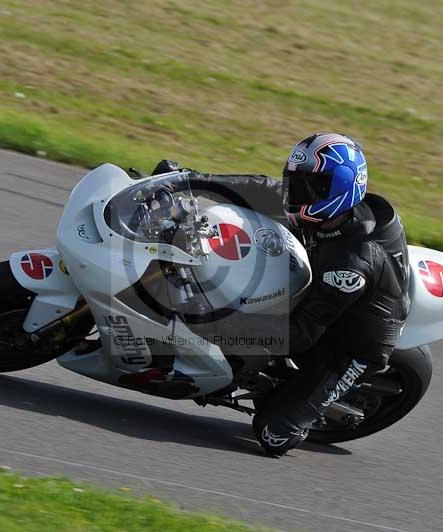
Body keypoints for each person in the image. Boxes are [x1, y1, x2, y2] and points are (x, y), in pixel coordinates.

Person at [152, 132, 410, 456]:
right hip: (323, 284)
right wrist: (186, 179)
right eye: (295, 181)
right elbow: (262, 188)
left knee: (273, 436)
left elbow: (299, 334)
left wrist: (220, 323)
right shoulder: (323, 211)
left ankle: (288, 398)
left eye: (308, 185)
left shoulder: (350, 264)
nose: (294, 192)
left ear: (337, 191)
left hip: (350, 343)